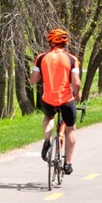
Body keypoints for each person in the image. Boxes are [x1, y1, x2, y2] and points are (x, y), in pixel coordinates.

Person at [29, 28, 81, 174]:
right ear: (65, 43)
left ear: (51, 43)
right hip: (66, 99)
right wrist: (77, 94)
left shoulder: (41, 58)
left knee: (49, 117)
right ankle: (68, 163)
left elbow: (33, 80)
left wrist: (39, 75)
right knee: (71, 128)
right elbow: (76, 82)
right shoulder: (72, 59)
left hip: (48, 99)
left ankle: (47, 140)